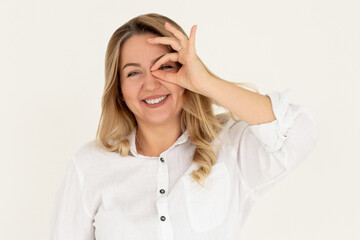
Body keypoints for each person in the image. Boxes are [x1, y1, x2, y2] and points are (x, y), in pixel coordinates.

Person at [49, 13, 318, 240]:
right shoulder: (88, 166)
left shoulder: (229, 148)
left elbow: (299, 131)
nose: (151, 84)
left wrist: (206, 83)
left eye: (164, 67)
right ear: (118, 89)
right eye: (133, 72)